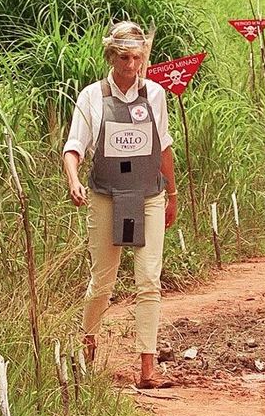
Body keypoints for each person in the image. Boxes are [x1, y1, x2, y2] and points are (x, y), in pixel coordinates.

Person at [62, 20, 178, 389]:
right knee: (103, 282)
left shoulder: (156, 95)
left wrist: (172, 194)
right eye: (125, 58)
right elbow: (73, 147)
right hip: (105, 196)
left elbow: (163, 148)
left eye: (138, 58)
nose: (132, 66)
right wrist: (74, 180)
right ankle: (88, 344)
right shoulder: (92, 96)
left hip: (149, 195)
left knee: (149, 280)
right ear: (111, 56)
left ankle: (148, 366)